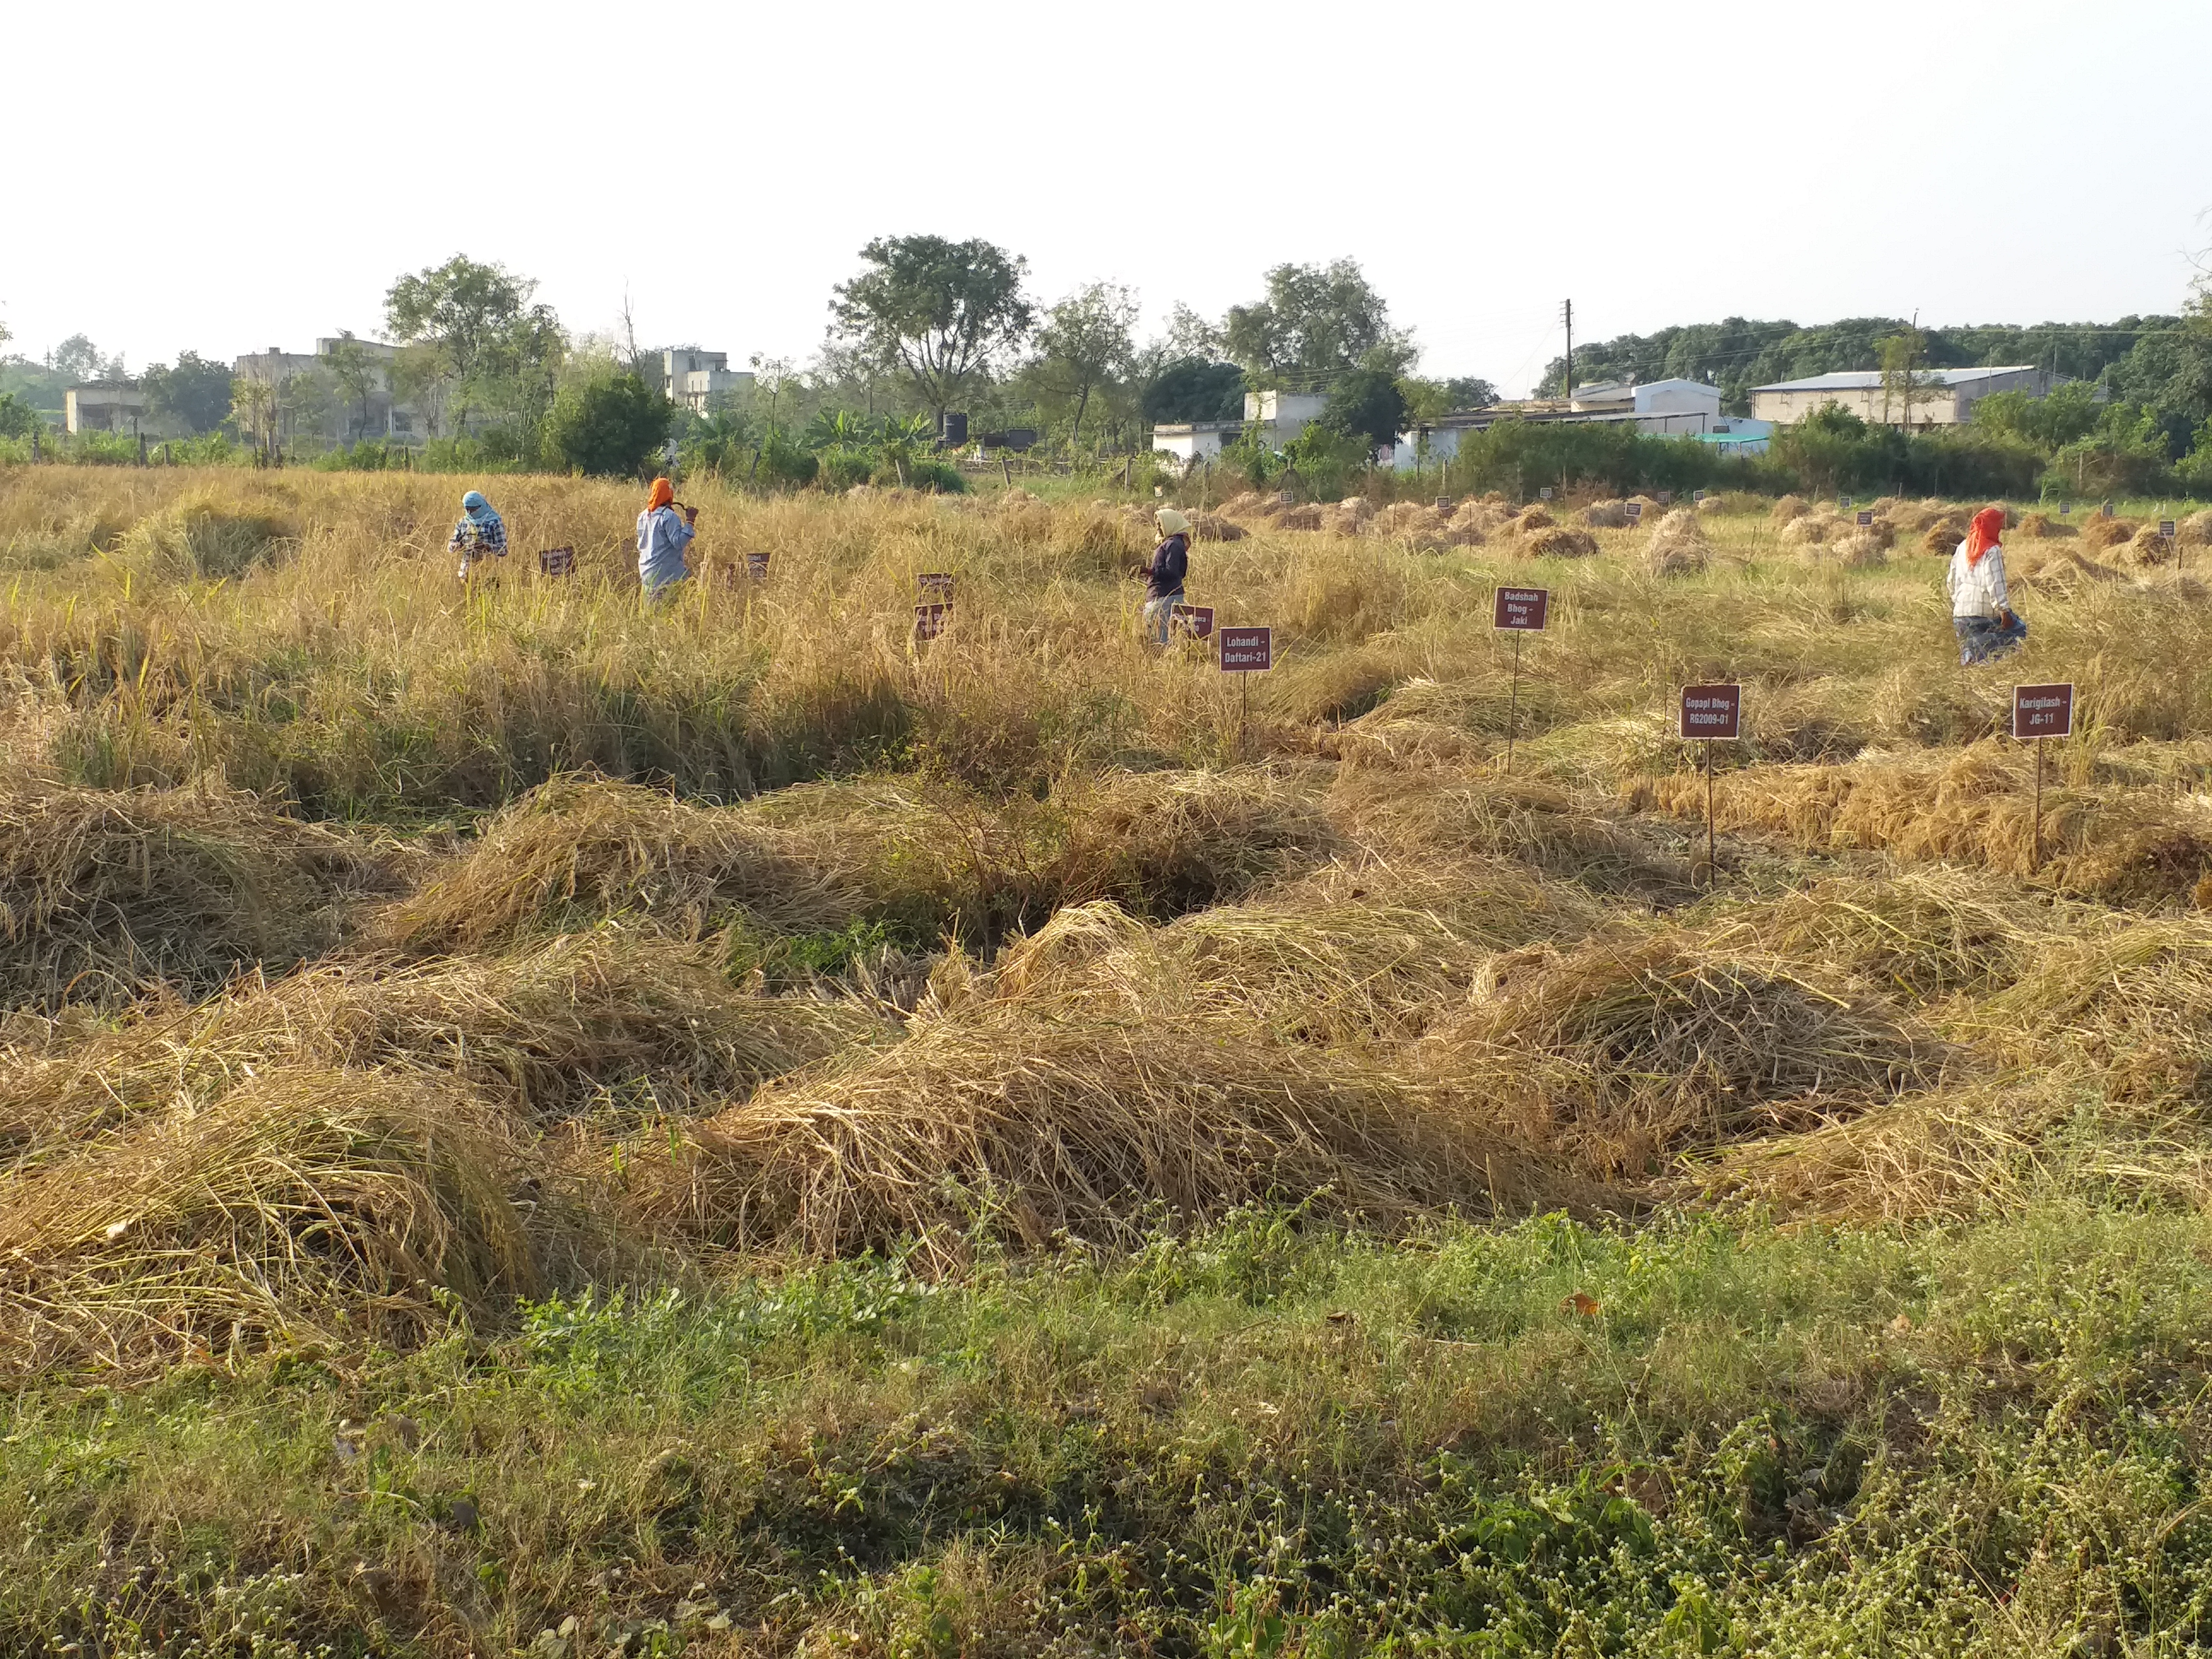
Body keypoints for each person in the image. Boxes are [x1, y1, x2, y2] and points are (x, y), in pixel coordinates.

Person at [1947, 505, 2027, 666]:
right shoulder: (1992, 550)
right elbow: (1995, 582)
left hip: (1961, 614)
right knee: (2019, 631)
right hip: (1983, 613)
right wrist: (2004, 610)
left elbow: (1952, 580)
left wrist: (1958, 600)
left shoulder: (1963, 547)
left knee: (1969, 656)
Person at [637, 476, 697, 602]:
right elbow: (679, 542)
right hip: (666, 576)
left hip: (646, 574)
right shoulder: (669, 516)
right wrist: (690, 521)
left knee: (650, 614)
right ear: (670, 494)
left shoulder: (642, 516)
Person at [1141, 508, 1191, 643]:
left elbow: (1172, 572)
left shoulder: (1173, 545)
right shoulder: (1173, 543)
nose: (1158, 528)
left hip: (1164, 597)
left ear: (1169, 523)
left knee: (1160, 641)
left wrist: (1150, 572)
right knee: (1163, 638)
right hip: (1165, 596)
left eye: (1160, 524)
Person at [448, 490, 506, 583]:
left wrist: (487, 547)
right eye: (467, 509)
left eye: (473, 509)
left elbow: (503, 550)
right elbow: (451, 546)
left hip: (489, 573)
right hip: (466, 572)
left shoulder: (495, 522)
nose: (470, 512)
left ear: (482, 506)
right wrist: (455, 545)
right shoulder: (463, 522)